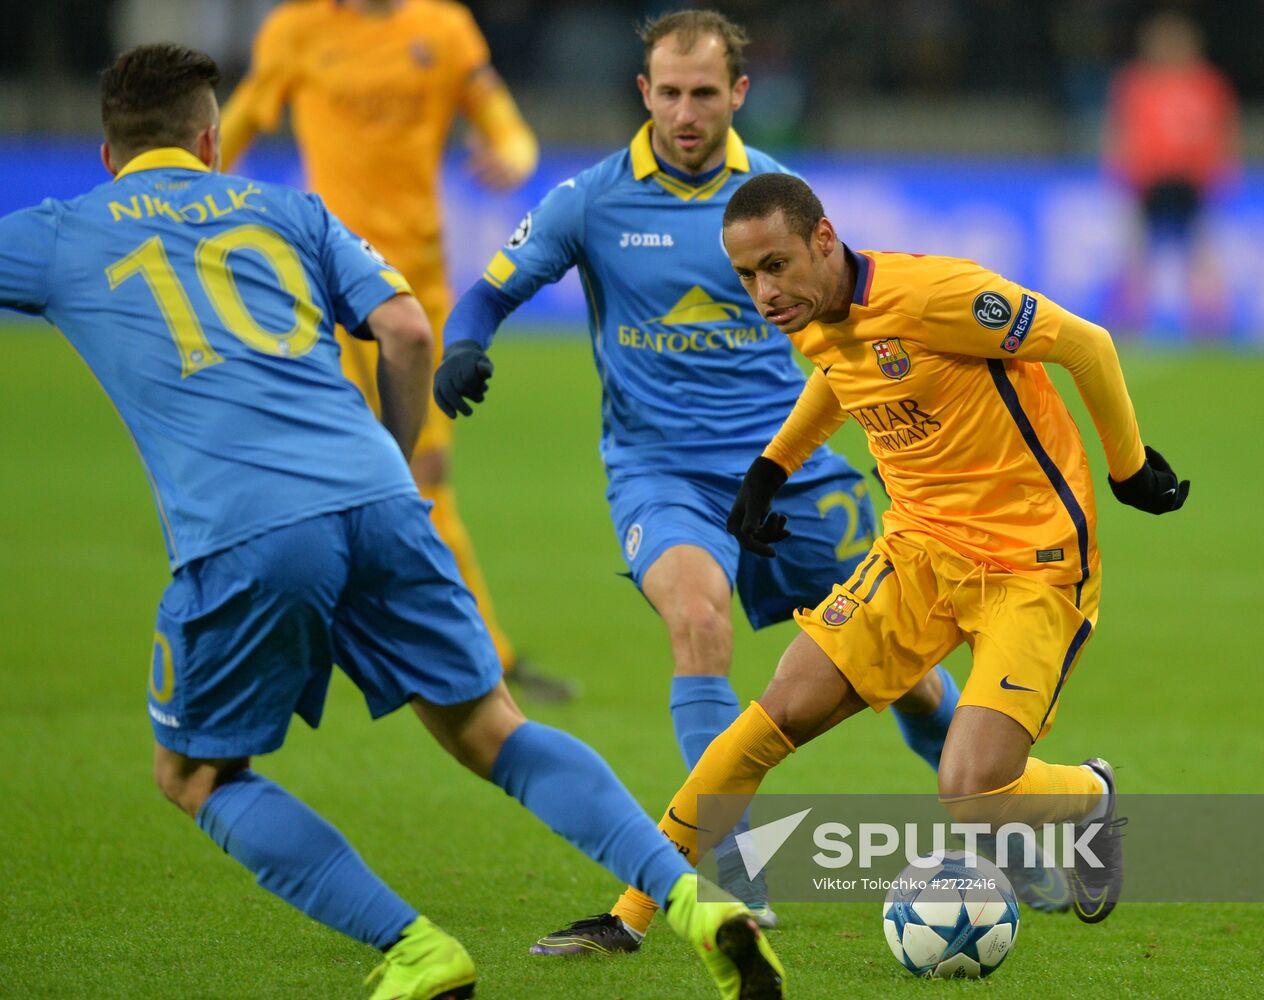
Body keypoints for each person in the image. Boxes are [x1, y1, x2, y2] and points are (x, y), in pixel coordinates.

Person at [0, 43, 784, 1000]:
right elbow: (408, 329)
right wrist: (396, 459)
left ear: (107, 154)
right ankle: (698, 898)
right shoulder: (287, 209)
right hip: (381, 497)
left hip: (246, 529)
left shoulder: (63, 228)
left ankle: (414, 948)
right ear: (211, 141)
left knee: (196, 773)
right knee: (491, 726)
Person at [433, 9, 973, 948]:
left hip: (789, 473)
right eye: (669, 93)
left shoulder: (778, 199)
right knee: (696, 617)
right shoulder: (592, 200)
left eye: (704, 93)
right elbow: (487, 288)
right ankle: (735, 870)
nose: (686, 112)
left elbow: (850, 316)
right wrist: (466, 346)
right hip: (660, 473)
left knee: (913, 679)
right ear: (644, 93)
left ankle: (1000, 817)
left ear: (738, 94)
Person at [572, 170, 1193, 940]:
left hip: (1029, 564)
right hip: (915, 554)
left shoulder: (938, 297)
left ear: (823, 240)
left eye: (774, 266)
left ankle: (1085, 798)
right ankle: (633, 912)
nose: (763, 293)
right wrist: (771, 469)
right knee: (777, 711)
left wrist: (1128, 468)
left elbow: (1086, 345)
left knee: (968, 791)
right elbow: (842, 376)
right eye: (745, 276)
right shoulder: (807, 312)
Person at [219, 0, 573, 701]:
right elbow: (236, 127)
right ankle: (459, 652)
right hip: (328, 281)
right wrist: (176, 191)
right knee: (344, 466)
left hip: (419, 286)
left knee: (420, 466)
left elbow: (505, 123)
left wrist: (512, 153)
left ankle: (472, 652)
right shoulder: (296, 29)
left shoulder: (441, 29)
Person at [1103, 10, 1239, 337]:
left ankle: (1209, 326)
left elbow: (1224, 130)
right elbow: (1120, 129)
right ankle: (1126, 324)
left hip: (1193, 181)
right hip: (1147, 180)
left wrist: (1224, 171)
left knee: (1201, 256)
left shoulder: (1208, 83)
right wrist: (1118, 170)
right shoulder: (1136, 82)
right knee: (1135, 255)